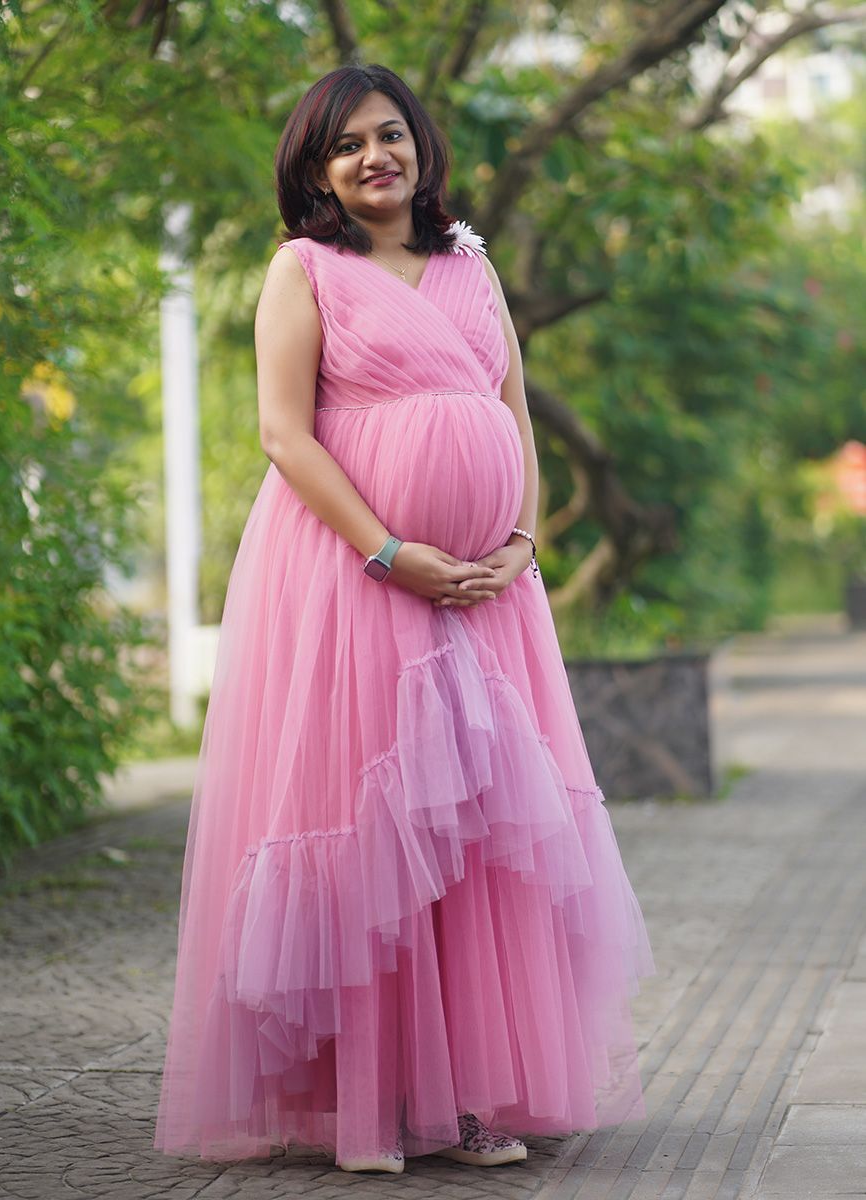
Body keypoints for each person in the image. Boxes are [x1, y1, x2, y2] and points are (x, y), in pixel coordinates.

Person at [154, 62, 654, 1175]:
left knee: (479, 832)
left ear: (421, 144)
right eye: (348, 146)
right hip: (353, 582)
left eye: (390, 134)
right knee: (378, 827)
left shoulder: (469, 260)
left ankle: (474, 1095)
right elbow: (286, 437)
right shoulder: (305, 270)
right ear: (317, 170)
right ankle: (369, 1101)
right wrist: (391, 553)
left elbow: (509, 409)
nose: (375, 157)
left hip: (490, 591)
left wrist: (519, 544)